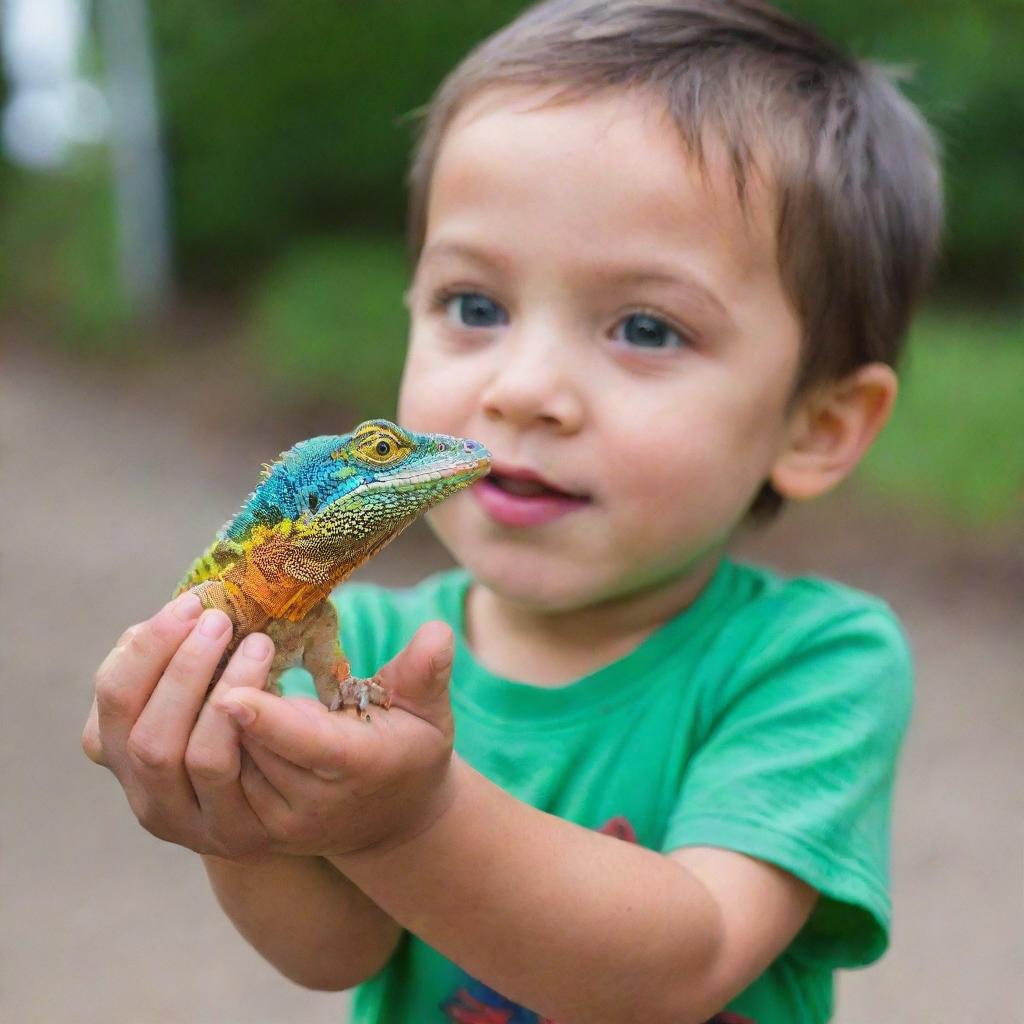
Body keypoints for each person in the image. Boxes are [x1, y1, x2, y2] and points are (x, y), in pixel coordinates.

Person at [82, 1, 943, 1021]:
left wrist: (407, 822)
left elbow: (681, 965)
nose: (523, 387)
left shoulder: (807, 660)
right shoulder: (362, 651)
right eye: (474, 306)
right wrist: (225, 812)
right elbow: (336, 949)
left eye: (645, 326)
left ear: (819, 425)